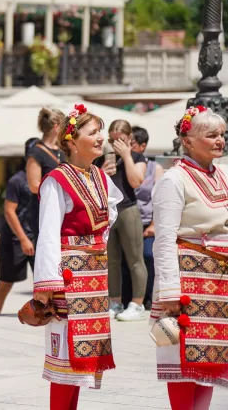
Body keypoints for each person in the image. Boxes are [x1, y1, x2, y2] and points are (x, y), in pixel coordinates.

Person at [33, 104, 122, 410]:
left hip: (93, 278)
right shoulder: (57, 179)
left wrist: (95, 248)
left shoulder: (98, 176)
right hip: (68, 280)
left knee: (83, 358)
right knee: (65, 358)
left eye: (101, 132)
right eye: (93, 132)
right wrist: (48, 283)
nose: (101, 138)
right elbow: (47, 234)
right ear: (71, 141)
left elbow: (108, 218)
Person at [151, 106, 228, 410]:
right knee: (184, 359)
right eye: (211, 135)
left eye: (222, 135)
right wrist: (169, 292)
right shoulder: (174, 180)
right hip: (189, 282)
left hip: (221, 282)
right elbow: (164, 239)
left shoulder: (226, 174)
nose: (219, 141)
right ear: (187, 140)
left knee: (212, 361)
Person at [94, 120, 148, 321]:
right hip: (108, 211)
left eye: (121, 140)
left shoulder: (137, 157)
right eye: (112, 140)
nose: (115, 144)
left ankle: (137, 303)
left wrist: (126, 155)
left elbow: (136, 181)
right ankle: (115, 302)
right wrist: (101, 174)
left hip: (128, 209)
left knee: (135, 259)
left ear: (129, 138)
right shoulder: (101, 159)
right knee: (112, 261)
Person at [0, 138, 39, 314]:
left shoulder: (46, 178)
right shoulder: (17, 180)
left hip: (38, 237)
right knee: (6, 283)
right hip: (15, 239)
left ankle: (43, 317)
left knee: (44, 282)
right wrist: (24, 239)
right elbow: (9, 212)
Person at [130, 126, 163, 309]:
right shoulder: (123, 164)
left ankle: (149, 296)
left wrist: (153, 224)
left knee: (148, 256)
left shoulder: (154, 168)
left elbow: (157, 198)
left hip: (146, 223)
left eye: (132, 143)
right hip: (128, 222)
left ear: (142, 146)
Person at [25, 107, 66, 242]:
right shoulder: (37, 152)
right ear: (56, 127)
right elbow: (33, 186)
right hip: (44, 211)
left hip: (62, 209)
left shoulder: (62, 151)